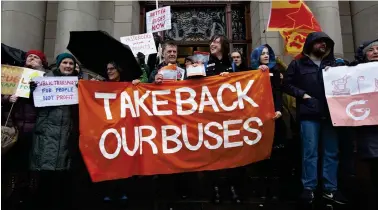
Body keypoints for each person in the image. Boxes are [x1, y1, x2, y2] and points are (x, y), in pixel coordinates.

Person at [282, 31, 347, 205]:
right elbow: (286, 84)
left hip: (332, 114)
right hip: (309, 115)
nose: (323, 45)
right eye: (319, 42)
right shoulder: (298, 65)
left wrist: (342, 68)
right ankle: (309, 188)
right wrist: (303, 95)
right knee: (309, 153)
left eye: (325, 42)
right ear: (310, 44)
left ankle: (330, 189)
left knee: (331, 153)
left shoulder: (334, 64)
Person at [28, 53, 81, 210]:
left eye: (71, 63)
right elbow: (33, 104)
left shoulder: (78, 83)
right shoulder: (44, 80)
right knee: (45, 177)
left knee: (62, 178)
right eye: (64, 62)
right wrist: (33, 91)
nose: (68, 66)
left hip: (66, 135)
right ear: (58, 64)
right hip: (46, 135)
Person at [1, 50, 48, 208]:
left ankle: (30, 192)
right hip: (13, 127)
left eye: (36, 57)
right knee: (13, 162)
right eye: (30, 56)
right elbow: (2, 97)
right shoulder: (13, 75)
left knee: (30, 163)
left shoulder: (45, 77)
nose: (32, 58)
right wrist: (9, 98)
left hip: (34, 127)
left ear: (42, 62)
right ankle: (12, 192)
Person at [201, 35, 240, 204]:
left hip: (229, 117)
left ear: (223, 46)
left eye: (216, 42)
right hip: (211, 117)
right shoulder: (204, 64)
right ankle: (214, 188)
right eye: (211, 42)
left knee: (232, 153)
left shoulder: (233, 64)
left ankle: (233, 187)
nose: (212, 44)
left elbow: (244, 83)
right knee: (213, 153)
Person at [249, 44, 284, 200]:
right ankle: (260, 188)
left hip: (273, 116)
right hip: (257, 117)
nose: (266, 56)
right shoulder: (251, 73)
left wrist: (278, 109)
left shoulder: (275, 71)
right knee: (259, 153)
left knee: (274, 154)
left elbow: (278, 92)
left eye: (268, 53)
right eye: (263, 53)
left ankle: (274, 188)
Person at [350, 39, 378, 205]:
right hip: (369, 129)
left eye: (377, 49)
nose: (375, 52)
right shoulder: (354, 72)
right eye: (371, 50)